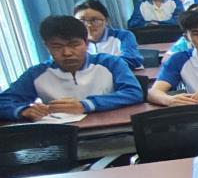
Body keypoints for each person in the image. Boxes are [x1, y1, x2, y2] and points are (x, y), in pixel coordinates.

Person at [0, 15, 143, 120]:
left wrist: (86, 105)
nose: (67, 53)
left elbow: (134, 92)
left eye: (74, 45)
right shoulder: (36, 73)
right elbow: (3, 102)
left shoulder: (110, 63)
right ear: (46, 47)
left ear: (86, 43)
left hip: (112, 132)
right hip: (61, 139)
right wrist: (22, 111)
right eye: (57, 46)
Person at [73, 0, 143, 69]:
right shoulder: (72, 42)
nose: (89, 25)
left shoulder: (123, 36)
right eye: (82, 21)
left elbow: (132, 59)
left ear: (106, 21)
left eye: (95, 20)